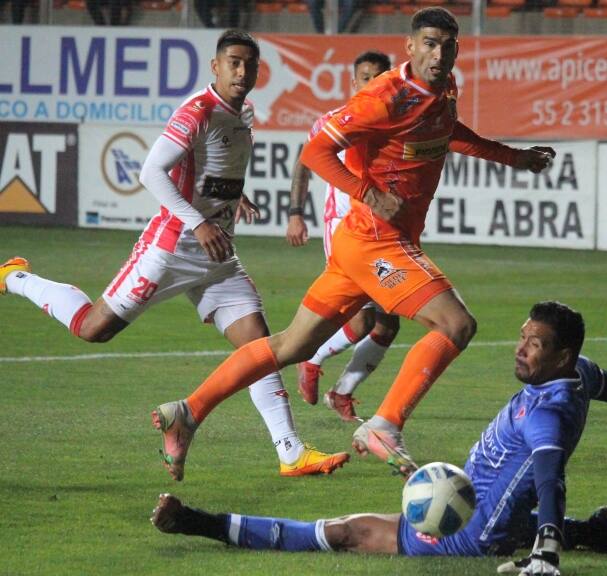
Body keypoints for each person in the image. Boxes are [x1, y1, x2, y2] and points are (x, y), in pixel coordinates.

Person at [149, 7, 556, 482]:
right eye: (429, 44)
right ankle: (385, 425)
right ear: (410, 46)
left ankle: (188, 411)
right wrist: (368, 193)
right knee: (456, 324)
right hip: (374, 241)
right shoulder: (384, 98)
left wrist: (513, 157)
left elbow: (447, 133)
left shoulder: (444, 88)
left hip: (358, 247)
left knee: (291, 344)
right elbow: (315, 151)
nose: (438, 54)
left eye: (448, 46)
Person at [0, 30, 348, 481]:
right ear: (216, 66)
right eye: (234, 62)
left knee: (259, 348)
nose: (242, 71)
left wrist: (232, 197)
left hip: (218, 256)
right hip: (171, 249)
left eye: (250, 64)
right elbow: (151, 172)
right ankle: (15, 277)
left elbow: (213, 169)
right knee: (93, 328)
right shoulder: (197, 110)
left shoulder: (243, 112)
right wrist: (198, 222)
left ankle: (291, 452)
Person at [150, 300, 607, 576]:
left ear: (562, 356)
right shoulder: (579, 372)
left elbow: (550, 477)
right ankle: (591, 530)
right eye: (522, 337)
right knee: (512, 518)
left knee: (346, 532)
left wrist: (547, 543)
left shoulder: (548, 415)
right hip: (479, 499)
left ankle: (196, 522)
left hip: (468, 531)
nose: (520, 349)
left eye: (535, 344)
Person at [286, 49, 399, 422]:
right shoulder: (334, 122)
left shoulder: (396, 124)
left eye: (380, 78)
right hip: (345, 228)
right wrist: (296, 214)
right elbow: (304, 166)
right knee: (364, 320)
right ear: (353, 83)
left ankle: (341, 392)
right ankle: (312, 358)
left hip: (382, 232)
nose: (373, 84)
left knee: (387, 324)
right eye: (366, 78)